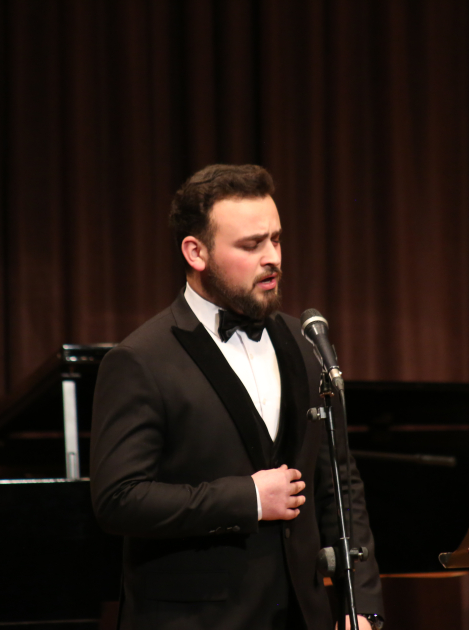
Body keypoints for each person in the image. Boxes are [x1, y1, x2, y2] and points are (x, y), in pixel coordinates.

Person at [90, 164, 385, 630]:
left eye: (276, 239)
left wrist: (361, 605)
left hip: (302, 617)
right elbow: (118, 500)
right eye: (251, 245)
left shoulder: (305, 342)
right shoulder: (140, 360)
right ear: (196, 252)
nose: (273, 258)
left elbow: (339, 484)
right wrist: (247, 497)